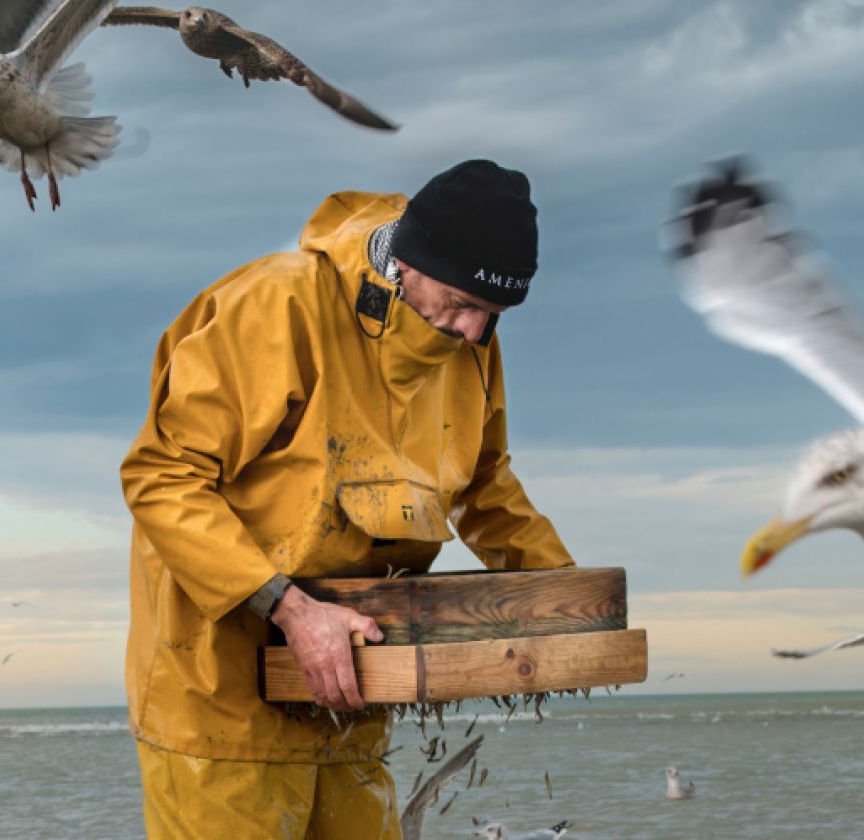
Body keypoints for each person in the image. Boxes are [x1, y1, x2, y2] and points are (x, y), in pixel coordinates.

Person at [120, 159, 575, 839]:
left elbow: (486, 485)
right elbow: (161, 476)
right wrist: (291, 609)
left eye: (494, 314)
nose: (474, 332)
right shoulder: (277, 305)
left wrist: (566, 601)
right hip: (220, 697)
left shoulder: (471, 344)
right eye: (461, 302)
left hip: (352, 694)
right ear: (410, 262)